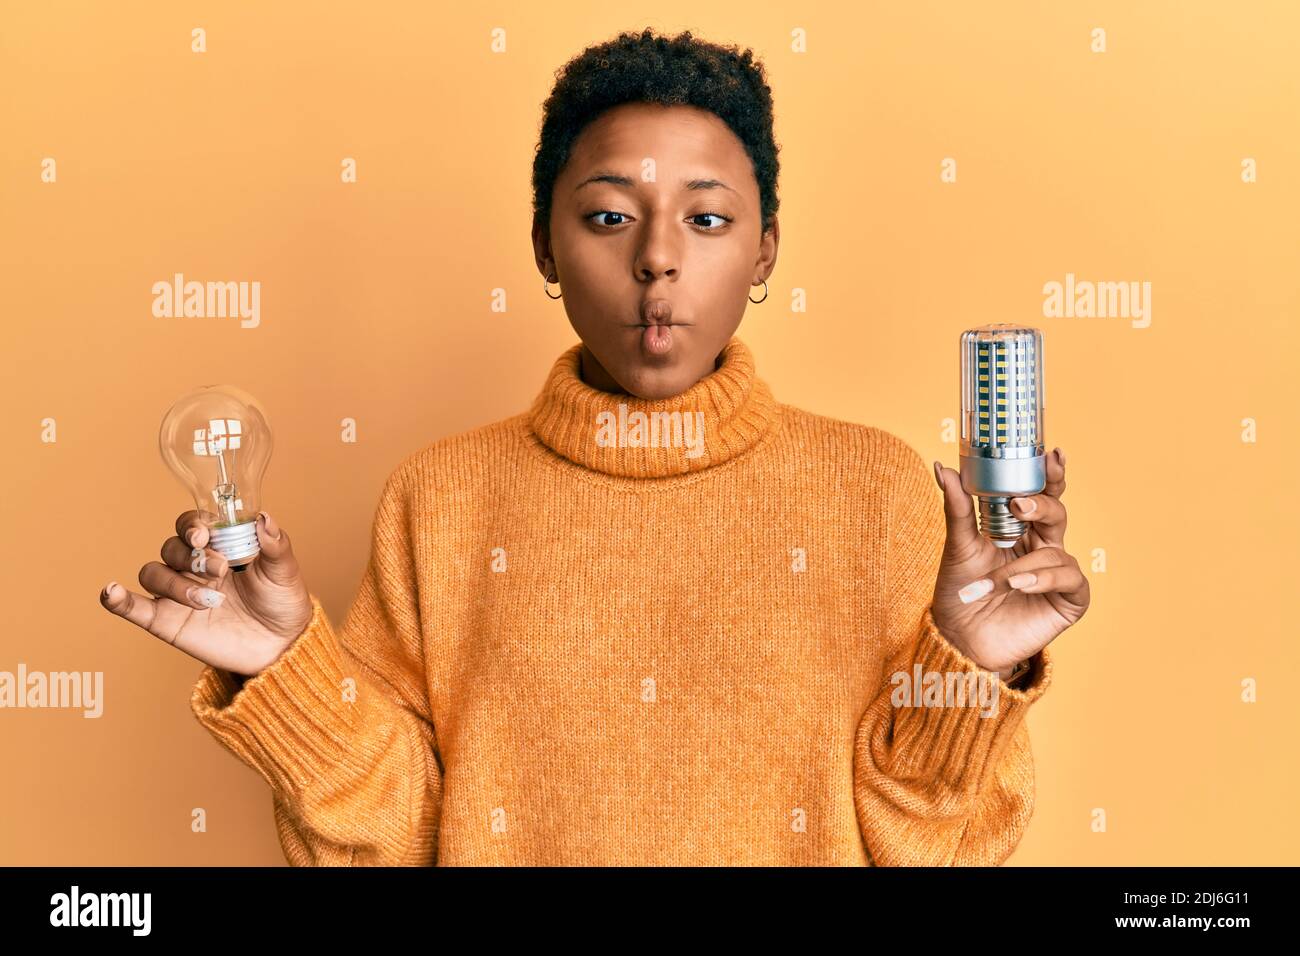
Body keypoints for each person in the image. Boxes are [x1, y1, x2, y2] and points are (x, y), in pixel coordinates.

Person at [99, 26, 1089, 866]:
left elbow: (934, 847)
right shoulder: (440, 497)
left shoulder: (878, 487)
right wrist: (285, 670)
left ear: (765, 251)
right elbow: (388, 842)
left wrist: (965, 666)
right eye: (608, 215)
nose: (656, 257)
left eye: (706, 219)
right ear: (543, 244)